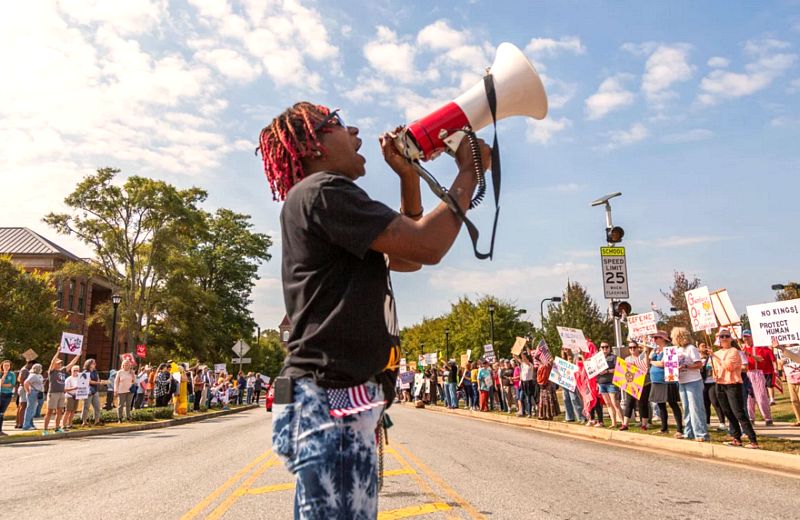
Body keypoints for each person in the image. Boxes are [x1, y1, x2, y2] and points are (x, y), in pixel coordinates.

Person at [262, 101, 490, 518]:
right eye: (339, 125)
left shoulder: (324, 198)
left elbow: (408, 257)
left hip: (332, 394)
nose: (357, 132)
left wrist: (409, 177)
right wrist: (469, 172)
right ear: (314, 146)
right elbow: (427, 244)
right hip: (332, 394)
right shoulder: (325, 191)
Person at [713, 329, 758, 448]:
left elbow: (728, 366)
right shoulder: (717, 353)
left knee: (738, 412)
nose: (724, 338)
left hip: (733, 384)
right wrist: (715, 374)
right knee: (727, 412)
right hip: (720, 384)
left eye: (726, 336)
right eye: (721, 336)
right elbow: (716, 369)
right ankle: (736, 437)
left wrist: (714, 356)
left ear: (731, 338)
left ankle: (752, 439)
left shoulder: (734, 351)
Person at [672, 327, 708, 442]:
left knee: (696, 407)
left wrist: (686, 366)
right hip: (682, 381)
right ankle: (689, 432)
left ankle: (701, 433)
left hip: (693, 381)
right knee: (686, 408)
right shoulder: (676, 350)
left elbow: (699, 364)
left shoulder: (691, 348)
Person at [649, 331, 683, 437]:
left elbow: (663, 364)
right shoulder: (655, 350)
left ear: (664, 339)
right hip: (656, 381)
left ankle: (679, 429)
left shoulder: (670, 349)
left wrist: (651, 362)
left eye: (657, 337)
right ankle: (664, 428)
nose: (654, 340)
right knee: (660, 404)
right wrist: (650, 354)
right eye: (654, 338)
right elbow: (648, 359)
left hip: (668, 380)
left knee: (673, 404)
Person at [44, 348, 80, 434]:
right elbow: (52, 362)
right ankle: (45, 429)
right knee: (49, 411)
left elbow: (72, 364)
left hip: (61, 393)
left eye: (60, 363)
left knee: (59, 410)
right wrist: (58, 352)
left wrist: (78, 355)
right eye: (58, 363)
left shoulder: (63, 370)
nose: (60, 364)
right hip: (53, 393)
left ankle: (57, 428)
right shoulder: (52, 372)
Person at [741, 330, 773, 425]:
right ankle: (751, 418)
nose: (746, 338)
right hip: (747, 374)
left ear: (752, 337)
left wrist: (749, 354)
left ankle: (767, 418)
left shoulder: (758, 348)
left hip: (757, 373)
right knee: (749, 398)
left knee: (761, 396)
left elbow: (761, 359)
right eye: (744, 336)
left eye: (747, 336)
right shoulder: (741, 348)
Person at [620, 341, 651, 431]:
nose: (632, 349)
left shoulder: (643, 357)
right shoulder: (627, 359)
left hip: (644, 383)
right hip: (632, 385)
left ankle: (644, 424)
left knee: (642, 404)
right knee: (629, 403)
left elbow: (647, 367)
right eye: (630, 348)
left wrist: (646, 352)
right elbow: (625, 372)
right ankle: (625, 424)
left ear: (638, 348)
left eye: (634, 347)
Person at [699, 342, 726, 432]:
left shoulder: (711, 357)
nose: (704, 348)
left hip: (712, 382)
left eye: (705, 346)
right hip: (703, 383)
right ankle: (707, 422)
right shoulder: (698, 358)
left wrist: (711, 355)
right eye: (702, 346)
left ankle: (722, 423)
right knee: (705, 403)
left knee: (715, 402)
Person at [773, 338, 800, 426]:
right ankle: (799, 420)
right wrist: (780, 362)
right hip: (790, 377)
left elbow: (798, 359)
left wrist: (782, 348)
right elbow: (779, 363)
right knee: (794, 400)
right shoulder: (781, 349)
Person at [597, 343, 622, 428]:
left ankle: (623, 423)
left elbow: (619, 368)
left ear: (609, 348)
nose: (604, 348)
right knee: (608, 404)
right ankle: (613, 423)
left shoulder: (613, 357)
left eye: (606, 347)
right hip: (601, 383)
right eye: (602, 347)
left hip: (611, 383)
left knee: (615, 403)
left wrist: (607, 371)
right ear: (600, 348)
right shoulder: (597, 359)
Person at [80, 359, 103, 427]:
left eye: (95, 363)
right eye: (93, 363)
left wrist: (100, 381)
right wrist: (98, 382)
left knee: (97, 407)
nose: (95, 364)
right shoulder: (85, 372)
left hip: (95, 391)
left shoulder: (95, 371)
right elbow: (88, 381)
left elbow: (98, 379)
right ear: (89, 364)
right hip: (88, 391)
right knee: (86, 407)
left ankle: (97, 421)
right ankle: (84, 422)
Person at [22, 364, 45, 430]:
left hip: (38, 393)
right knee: (30, 409)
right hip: (33, 392)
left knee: (33, 409)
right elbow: (26, 382)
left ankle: (31, 424)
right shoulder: (33, 375)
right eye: (40, 368)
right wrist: (27, 391)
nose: (41, 369)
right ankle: (26, 425)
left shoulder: (39, 375)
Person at [14, 359, 33, 429]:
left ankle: (18, 423)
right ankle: (21, 424)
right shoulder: (25, 370)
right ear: (30, 364)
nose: (32, 367)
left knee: (20, 406)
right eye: (32, 365)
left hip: (22, 388)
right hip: (24, 389)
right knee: (23, 406)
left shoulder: (23, 369)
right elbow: (21, 380)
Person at [63, 365, 82, 431]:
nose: (76, 372)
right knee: (68, 411)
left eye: (77, 370)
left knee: (73, 411)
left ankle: (70, 424)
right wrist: (74, 388)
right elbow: (65, 389)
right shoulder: (69, 379)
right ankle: (63, 425)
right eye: (74, 370)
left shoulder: (80, 378)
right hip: (70, 396)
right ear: (71, 371)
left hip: (76, 396)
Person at [0, 360, 16, 435]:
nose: (6, 367)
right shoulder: (0, 374)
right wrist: (4, 375)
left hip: (8, 395)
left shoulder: (12, 374)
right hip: (1, 394)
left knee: (2, 413)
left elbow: (11, 384)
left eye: (8, 365)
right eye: (5, 365)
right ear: (2, 366)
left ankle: (0, 430)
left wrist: (2, 384)